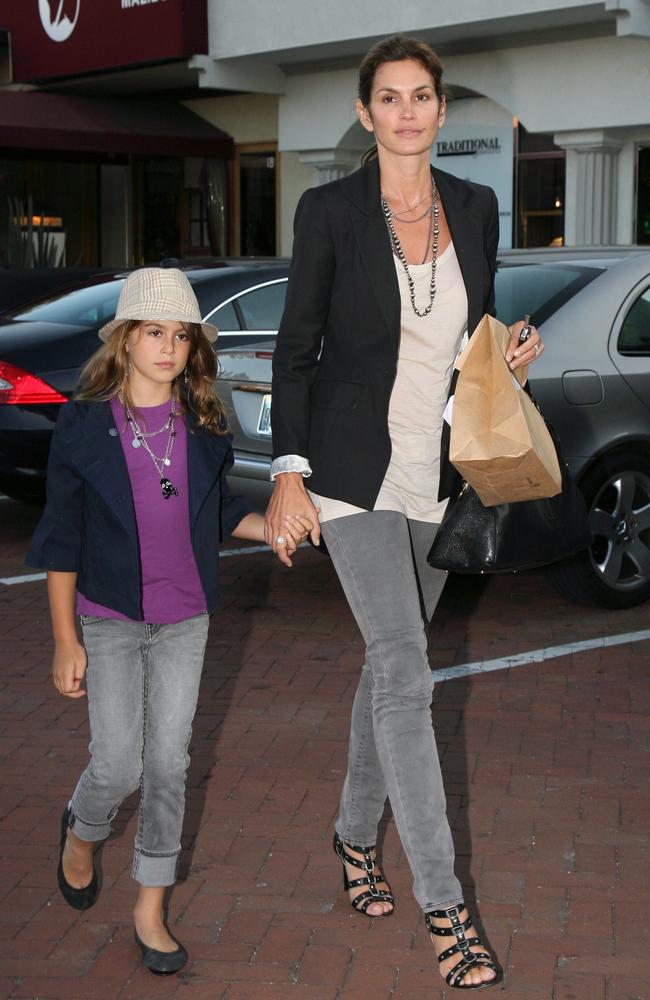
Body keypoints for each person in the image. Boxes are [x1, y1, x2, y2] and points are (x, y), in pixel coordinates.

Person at [265, 35, 544, 991]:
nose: (408, 112)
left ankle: (351, 838)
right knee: (402, 669)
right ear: (365, 112)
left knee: (395, 667)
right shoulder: (330, 211)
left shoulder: (473, 206)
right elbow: (294, 349)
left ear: (438, 108)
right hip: (348, 469)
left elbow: (473, 331)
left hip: (436, 466)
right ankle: (444, 905)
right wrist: (289, 472)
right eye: (390, 98)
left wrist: (507, 353)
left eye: (422, 96)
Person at [26, 268, 312, 976]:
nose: (168, 347)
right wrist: (66, 640)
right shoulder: (86, 424)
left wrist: (271, 530)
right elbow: (62, 540)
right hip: (111, 618)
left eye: (180, 335)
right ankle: (83, 831)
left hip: (186, 619)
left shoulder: (204, 428)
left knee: (170, 764)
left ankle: (150, 907)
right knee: (118, 763)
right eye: (154, 331)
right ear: (124, 341)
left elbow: (214, 518)